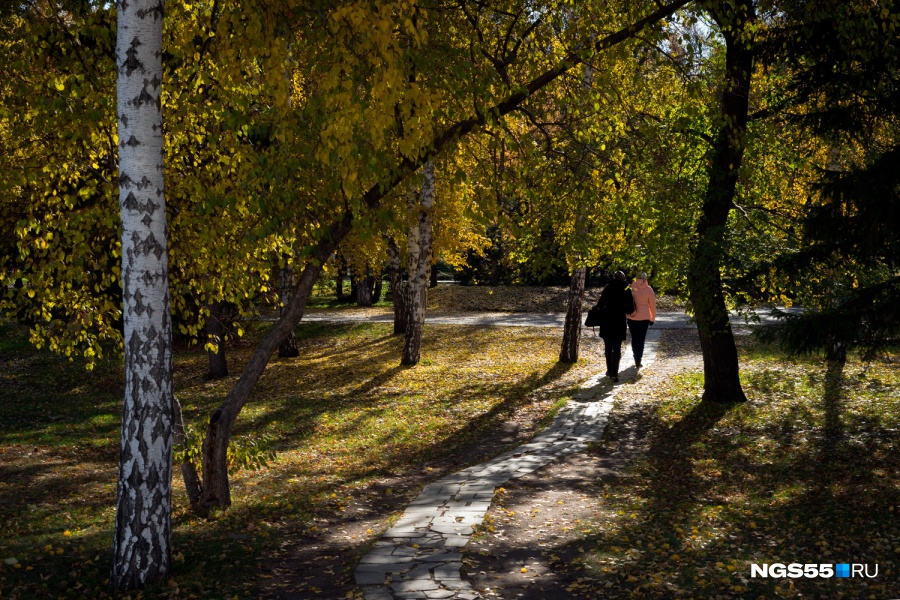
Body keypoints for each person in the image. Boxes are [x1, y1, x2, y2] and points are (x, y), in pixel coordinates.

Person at [597, 271, 631, 382]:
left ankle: (609, 369)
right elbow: (631, 308)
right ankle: (615, 372)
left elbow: (600, 304)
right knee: (617, 347)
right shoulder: (626, 289)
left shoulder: (608, 288)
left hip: (607, 320)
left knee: (608, 346)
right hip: (619, 321)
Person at [627, 272, 657, 369]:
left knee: (634, 338)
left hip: (631, 316)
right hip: (644, 318)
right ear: (645, 278)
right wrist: (652, 318)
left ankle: (635, 355)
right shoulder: (649, 290)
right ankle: (638, 359)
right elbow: (652, 306)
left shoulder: (631, 288)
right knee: (641, 339)